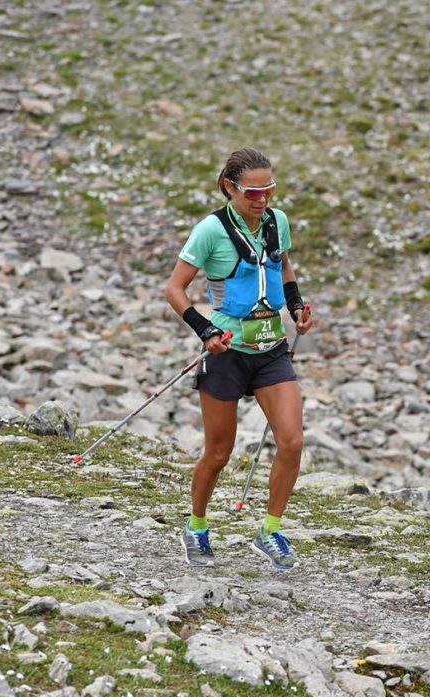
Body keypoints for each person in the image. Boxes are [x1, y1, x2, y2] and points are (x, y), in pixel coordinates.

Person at [165, 148, 314, 569]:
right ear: (230, 187)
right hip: (227, 351)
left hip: (271, 349)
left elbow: (284, 268)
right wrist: (205, 330)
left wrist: (297, 306)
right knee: (218, 453)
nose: (262, 199)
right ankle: (196, 527)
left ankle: (270, 531)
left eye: (269, 190)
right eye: (253, 192)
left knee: (292, 441)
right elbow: (174, 289)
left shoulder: (276, 222)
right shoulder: (209, 230)